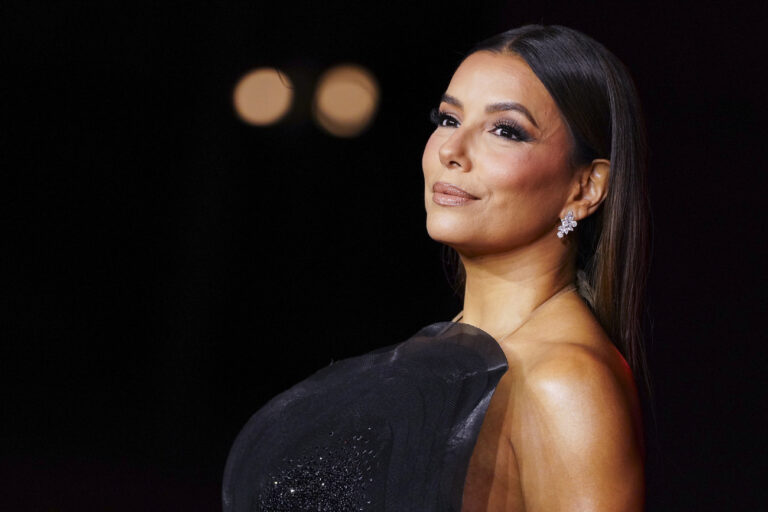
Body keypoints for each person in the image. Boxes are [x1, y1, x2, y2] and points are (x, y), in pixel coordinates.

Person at [223, 24, 649, 511]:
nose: (451, 151)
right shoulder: (450, 347)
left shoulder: (566, 381)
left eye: (505, 130)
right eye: (448, 119)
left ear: (586, 187)